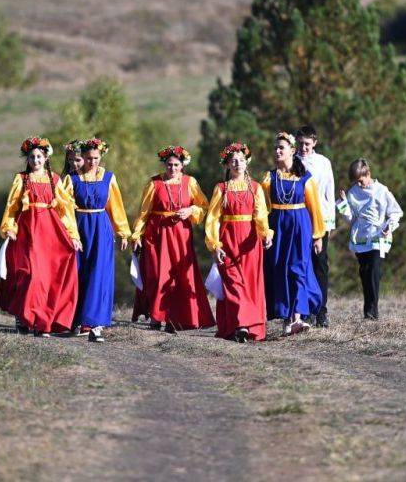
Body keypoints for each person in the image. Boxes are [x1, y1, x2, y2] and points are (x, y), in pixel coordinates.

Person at [0, 136, 83, 337]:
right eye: (32, 157)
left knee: (47, 278)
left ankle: (42, 324)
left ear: (46, 158)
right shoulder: (21, 179)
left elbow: (65, 209)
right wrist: (9, 227)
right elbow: (12, 206)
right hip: (27, 233)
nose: (36, 161)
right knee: (32, 276)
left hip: (50, 233)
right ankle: (24, 317)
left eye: (39, 157)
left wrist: (73, 236)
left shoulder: (55, 180)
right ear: (28, 159)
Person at [130, 145, 215, 332]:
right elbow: (144, 212)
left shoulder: (190, 182)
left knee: (180, 274)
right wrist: (136, 235)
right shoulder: (154, 184)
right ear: (164, 164)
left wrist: (191, 210)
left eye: (176, 164)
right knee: (158, 273)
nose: (173, 168)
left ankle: (178, 317)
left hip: (180, 234)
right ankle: (156, 316)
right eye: (169, 164)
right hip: (157, 234)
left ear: (182, 165)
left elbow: (204, 206)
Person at [62, 138, 131, 343]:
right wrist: (72, 235)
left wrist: (122, 232)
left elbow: (116, 208)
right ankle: (75, 320)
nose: (92, 162)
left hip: (101, 228)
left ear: (101, 157)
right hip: (79, 227)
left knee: (99, 275)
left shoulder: (109, 178)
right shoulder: (72, 179)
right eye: (88, 158)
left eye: (96, 158)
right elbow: (64, 209)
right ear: (82, 157)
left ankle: (96, 325)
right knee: (78, 273)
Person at [204, 142, 273, 343]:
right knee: (234, 284)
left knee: (249, 285)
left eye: (241, 160)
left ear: (246, 163)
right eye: (233, 161)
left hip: (249, 243)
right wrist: (215, 245)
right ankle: (241, 324)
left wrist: (266, 234)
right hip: (228, 242)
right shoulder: (221, 189)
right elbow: (213, 219)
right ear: (226, 165)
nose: (237, 164)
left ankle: (249, 326)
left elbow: (261, 216)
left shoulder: (255, 188)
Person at [260, 132, 326, 336]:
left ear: (292, 151)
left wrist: (318, 235)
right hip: (278, 227)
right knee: (281, 270)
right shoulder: (269, 178)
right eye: (275, 148)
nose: (277, 151)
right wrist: (265, 232)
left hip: (300, 228)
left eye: (281, 147)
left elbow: (314, 208)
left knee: (299, 268)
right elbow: (262, 209)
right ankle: (286, 320)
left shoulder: (305, 178)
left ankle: (298, 317)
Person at [336, 158, 403, 320]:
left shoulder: (382, 190)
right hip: (361, 237)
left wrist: (389, 226)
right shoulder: (353, 192)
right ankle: (368, 310)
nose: (360, 184)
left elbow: (395, 212)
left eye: (361, 180)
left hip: (378, 235)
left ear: (368, 174)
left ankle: (373, 311)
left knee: (374, 270)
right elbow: (351, 219)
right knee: (365, 272)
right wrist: (344, 204)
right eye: (356, 182)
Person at [295, 125, 335, 328]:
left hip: (319, 220)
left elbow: (329, 193)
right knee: (302, 265)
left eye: (307, 144)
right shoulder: (291, 162)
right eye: (300, 143)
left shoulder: (323, 163)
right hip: (298, 219)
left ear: (315, 143)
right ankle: (305, 311)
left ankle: (321, 311)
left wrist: (329, 223)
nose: (303, 148)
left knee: (320, 265)